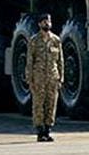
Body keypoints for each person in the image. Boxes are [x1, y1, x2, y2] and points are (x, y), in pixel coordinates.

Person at [25, 13, 63, 142]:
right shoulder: (34, 41)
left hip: (52, 77)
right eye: (45, 22)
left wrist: (61, 78)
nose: (47, 23)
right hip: (39, 78)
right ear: (39, 24)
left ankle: (48, 129)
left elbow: (60, 61)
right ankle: (40, 131)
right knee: (38, 104)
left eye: (49, 21)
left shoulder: (56, 40)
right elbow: (30, 61)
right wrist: (29, 79)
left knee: (51, 104)